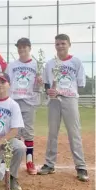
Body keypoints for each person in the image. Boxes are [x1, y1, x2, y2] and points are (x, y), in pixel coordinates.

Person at [38, 34, 89, 182]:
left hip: (70, 99)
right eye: (58, 44)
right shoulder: (50, 63)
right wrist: (49, 90)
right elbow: (47, 83)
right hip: (54, 101)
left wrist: (65, 91)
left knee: (74, 133)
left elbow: (81, 84)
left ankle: (81, 166)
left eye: (63, 43)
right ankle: (49, 164)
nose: (60, 46)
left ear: (69, 44)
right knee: (52, 132)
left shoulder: (76, 62)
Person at [6, 38, 41, 175]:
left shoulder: (36, 65)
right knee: (14, 131)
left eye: (24, 47)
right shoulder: (12, 65)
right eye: (19, 47)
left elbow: (39, 86)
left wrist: (40, 82)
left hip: (29, 101)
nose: (21, 50)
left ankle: (29, 161)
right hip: (14, 101)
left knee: (28, 133)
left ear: (29, 48)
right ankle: (13, 160)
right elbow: (7, 82)